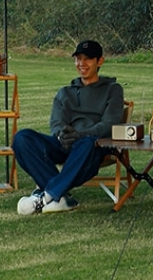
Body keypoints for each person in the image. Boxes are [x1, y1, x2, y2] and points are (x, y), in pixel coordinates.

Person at [13, 40, 125, 215]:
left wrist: (81, 135)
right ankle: (61, 198)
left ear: (100, 61)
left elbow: (109, 123)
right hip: (66, 144)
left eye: (87, 59)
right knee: (22, 138)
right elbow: (57, 123)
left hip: (92, 146)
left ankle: (46, 196)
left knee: (87, 143)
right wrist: (61, 136)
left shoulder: (113, 89)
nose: (82, 64)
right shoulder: (65, 92)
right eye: (78, 59)